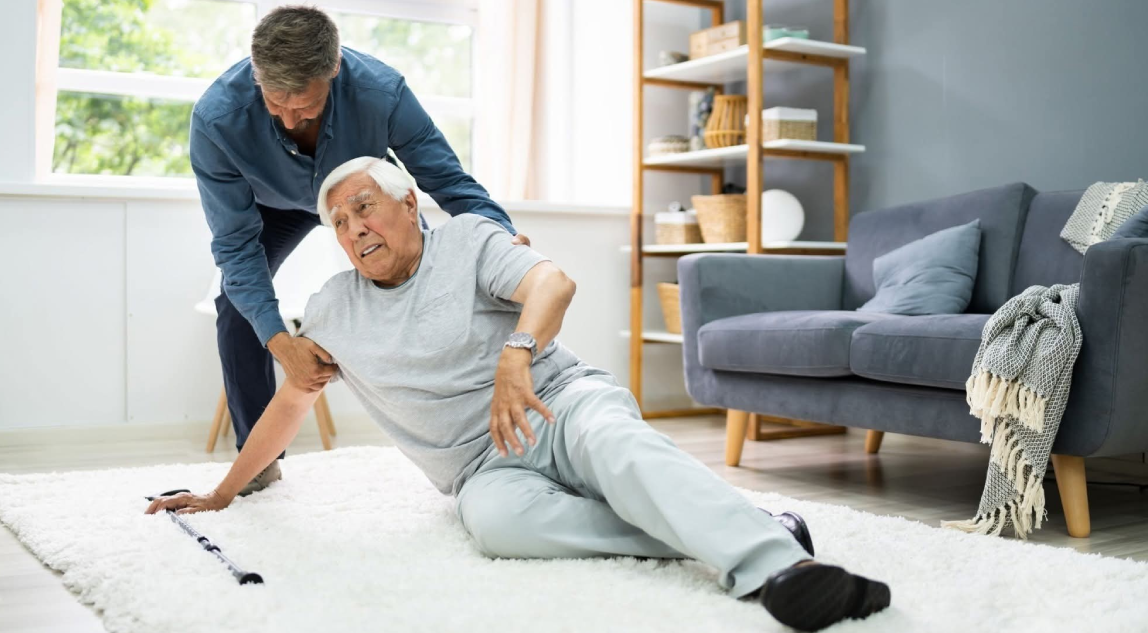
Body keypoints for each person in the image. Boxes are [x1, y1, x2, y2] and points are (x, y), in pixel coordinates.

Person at [148, 157, 890, 632]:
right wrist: (222, 492)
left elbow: (551, 281)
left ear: (410, 203)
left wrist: (517, 353)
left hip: (558, 405)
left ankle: (777, 570)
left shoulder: (467, 240)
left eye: (365, 207)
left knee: (618, 450)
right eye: (338, 222)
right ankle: (747, 524)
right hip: (483, 468)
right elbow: (290, 403)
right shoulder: (335, 308)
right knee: (500, 526)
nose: (353, 229)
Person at [191, 5, 528, 494]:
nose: (287, 118)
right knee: (235, 306)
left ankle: (474, 424)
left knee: (449, 276)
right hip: (275, 206)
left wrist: (501, 238)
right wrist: (281, 342)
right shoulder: (216, 119)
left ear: (333, 69)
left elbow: (447, 181)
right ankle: (259, 462)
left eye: (301, 105)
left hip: (359, 195)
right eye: (274, 101)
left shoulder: (381, 92)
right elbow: (236, 246)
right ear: (255, 74)